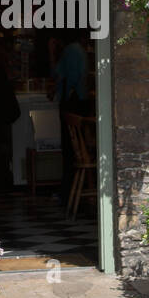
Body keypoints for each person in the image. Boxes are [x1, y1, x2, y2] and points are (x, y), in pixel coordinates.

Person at [48, 34, 93, 207]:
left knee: (70, 152)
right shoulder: (80, 50)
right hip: (82, 102)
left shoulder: (69, 50)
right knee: (81, 151)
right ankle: (83, 193)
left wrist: (51, 53)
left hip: (71, 103)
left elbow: (57, 74)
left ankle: (67, 193)